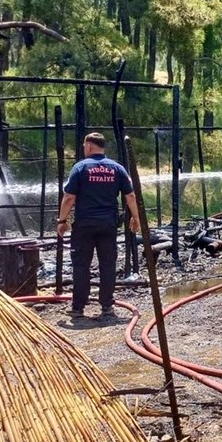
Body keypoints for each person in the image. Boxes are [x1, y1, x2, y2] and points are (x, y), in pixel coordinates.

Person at [56, 132, 140, 321]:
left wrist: (62, 221)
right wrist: (136, 218)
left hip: (84, 225)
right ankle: (107, 307)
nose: (84, 149)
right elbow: (130, 196)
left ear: (89, 146)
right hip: (108, 225)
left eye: (84, 146)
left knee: (81, 265)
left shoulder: (80, 168)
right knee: (108, 265)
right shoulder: (117, 169)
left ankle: (78, 308)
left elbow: (69, 197)